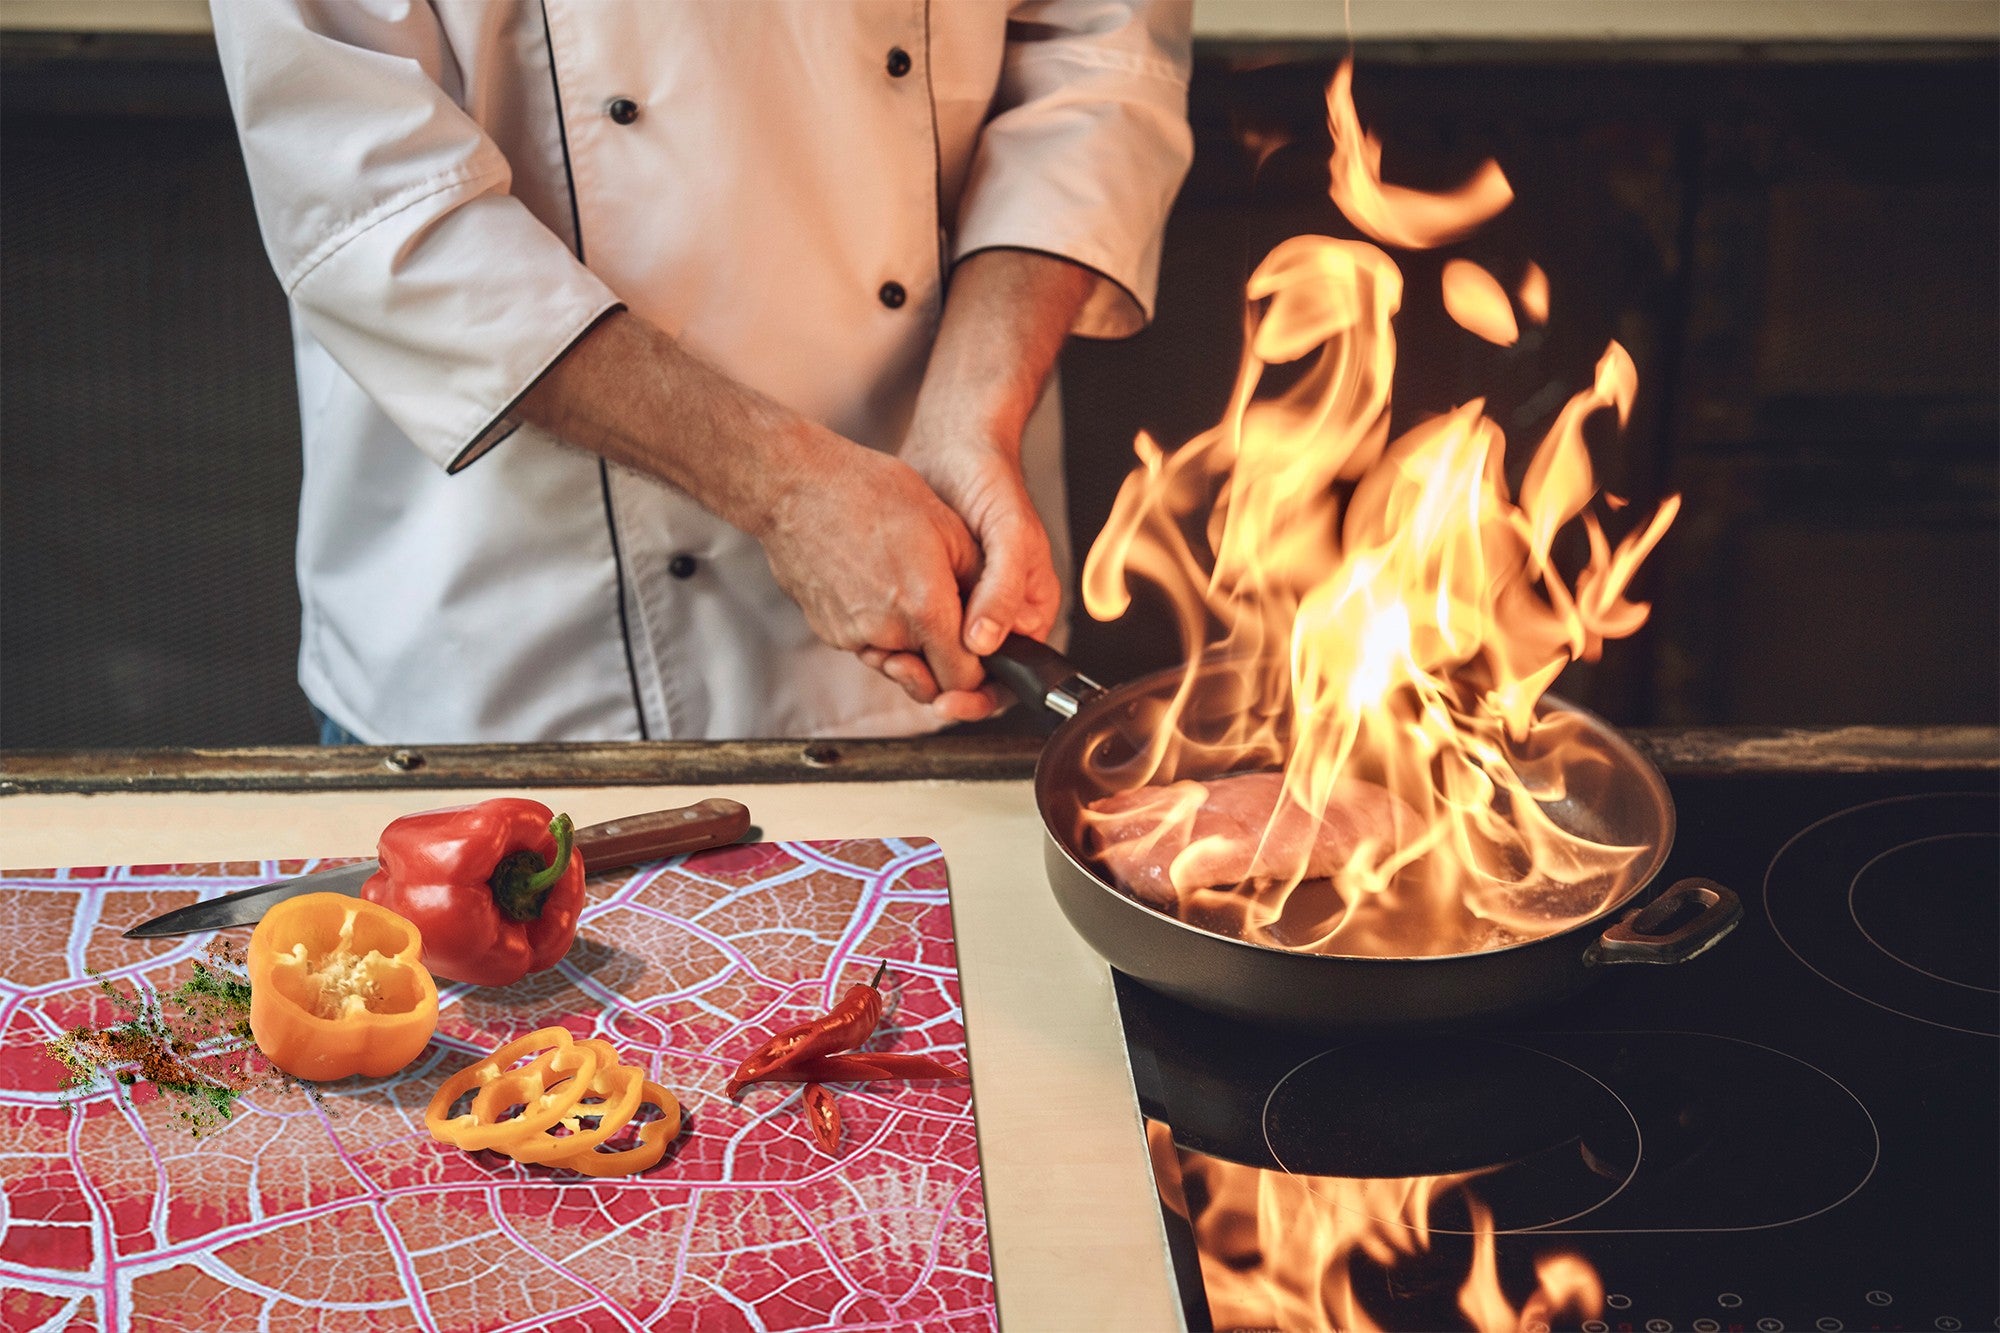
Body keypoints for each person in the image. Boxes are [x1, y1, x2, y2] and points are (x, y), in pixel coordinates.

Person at [210, 0, 1193, 742]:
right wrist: (784, 489)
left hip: (948, 576)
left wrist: (972, 418)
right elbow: (372, 198)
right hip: (523, 646)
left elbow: (1096, 60)